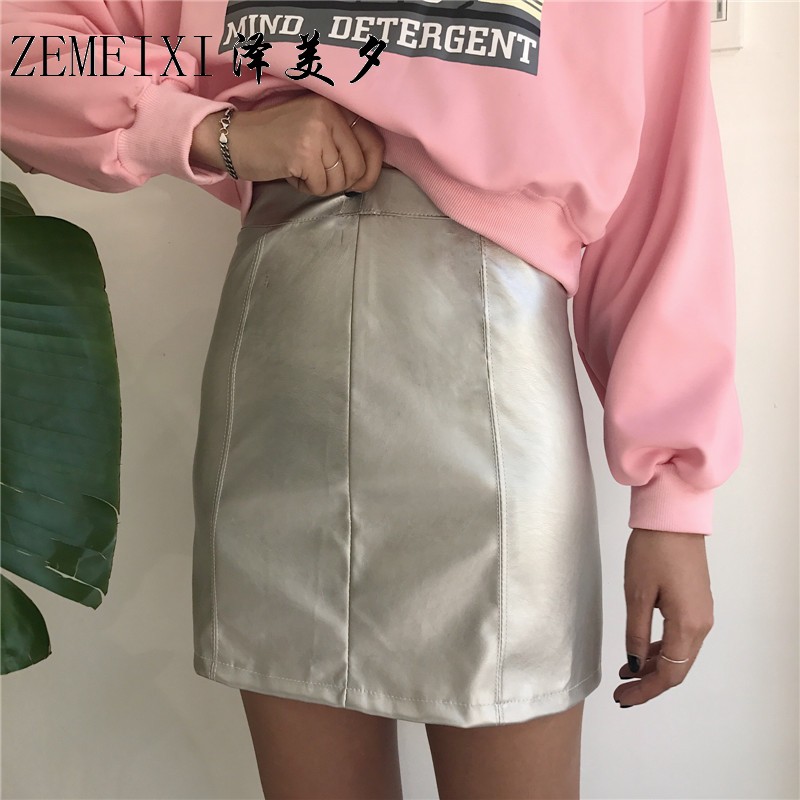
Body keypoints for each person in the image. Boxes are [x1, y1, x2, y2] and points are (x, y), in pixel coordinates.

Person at [0, 1, 743, 797]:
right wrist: (212, 131)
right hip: (280, 397)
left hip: (494, 406)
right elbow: (24, 42)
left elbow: (664, 196)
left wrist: (673, 501)